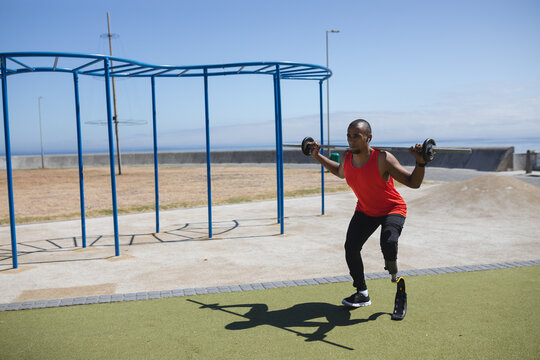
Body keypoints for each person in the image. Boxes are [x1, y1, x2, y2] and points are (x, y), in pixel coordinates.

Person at [309, 119, 426, 307]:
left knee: (388, 242)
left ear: (369, 138)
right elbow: (340, 172)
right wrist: (317, 156)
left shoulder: (382, 158)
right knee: (351, 248)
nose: (351, 140)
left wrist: (420, 163)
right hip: (365, 210)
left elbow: (414, 183)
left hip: (392, 208)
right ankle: (362, 293)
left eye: (356, 136)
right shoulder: (347, 158)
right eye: (349, 135)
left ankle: (394, 274)